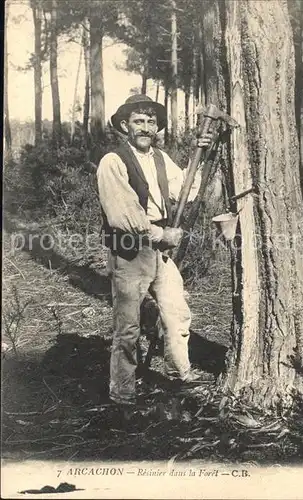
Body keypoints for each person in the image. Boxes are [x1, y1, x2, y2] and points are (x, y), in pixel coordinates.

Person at [97, 94, 212, 413]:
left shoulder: (161, 159)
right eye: (138, 121)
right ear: (125, 126)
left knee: (177, 313)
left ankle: (180, 373)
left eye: (150, 121)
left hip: (160, 251)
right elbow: (123, 216)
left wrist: (199, 154)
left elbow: (186, 190)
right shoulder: (114, 162)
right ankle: (123, 394)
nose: (145, 127)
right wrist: (163, 234)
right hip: (130, 250)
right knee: (129, 327)